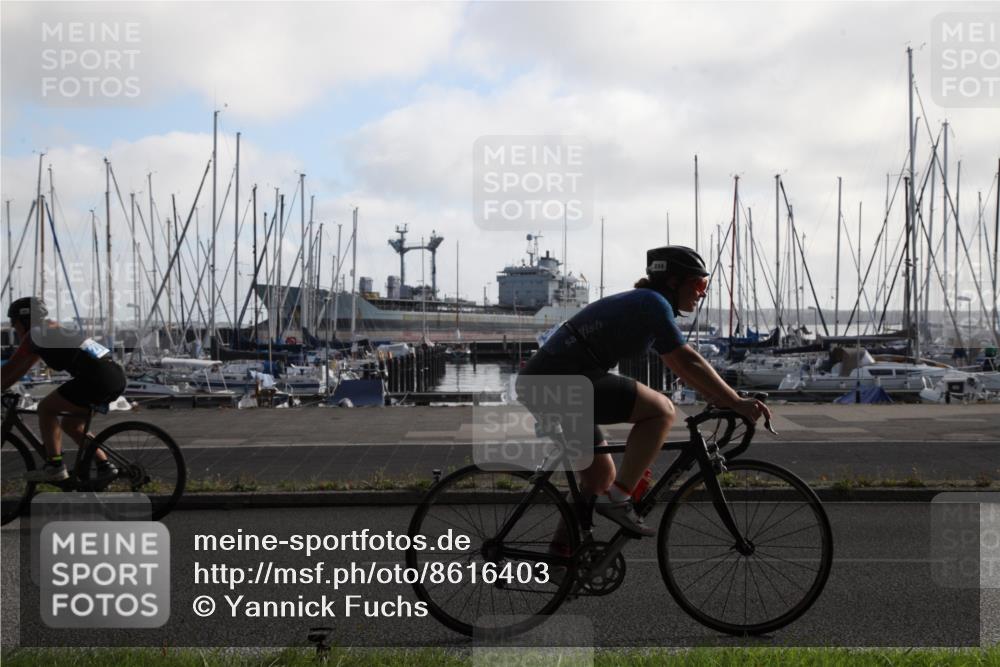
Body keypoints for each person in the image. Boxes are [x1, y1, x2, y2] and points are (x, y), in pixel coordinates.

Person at [517, 246, 771, 539]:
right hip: (563, 382)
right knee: (662, 410)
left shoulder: (646, 304)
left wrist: (720, 400)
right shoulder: (652, 303)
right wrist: (736, 402)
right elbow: (687, 360)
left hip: (551, 381)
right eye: (699, 284)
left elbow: (678, 365)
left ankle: (563, 556)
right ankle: (619, 499)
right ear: (673, 282)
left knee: (599, 478)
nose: (702, 293)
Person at [1, 297, 125, 482]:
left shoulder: (35, 335)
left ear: (25, 320)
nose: (13, 328)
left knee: (46, 408)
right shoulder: (48, 331)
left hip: (97, 378)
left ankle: (55, 466)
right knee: (71, 425)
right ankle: (104, 466)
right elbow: (21, 369)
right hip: (114, 376)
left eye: (14, 322)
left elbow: (11, 368)